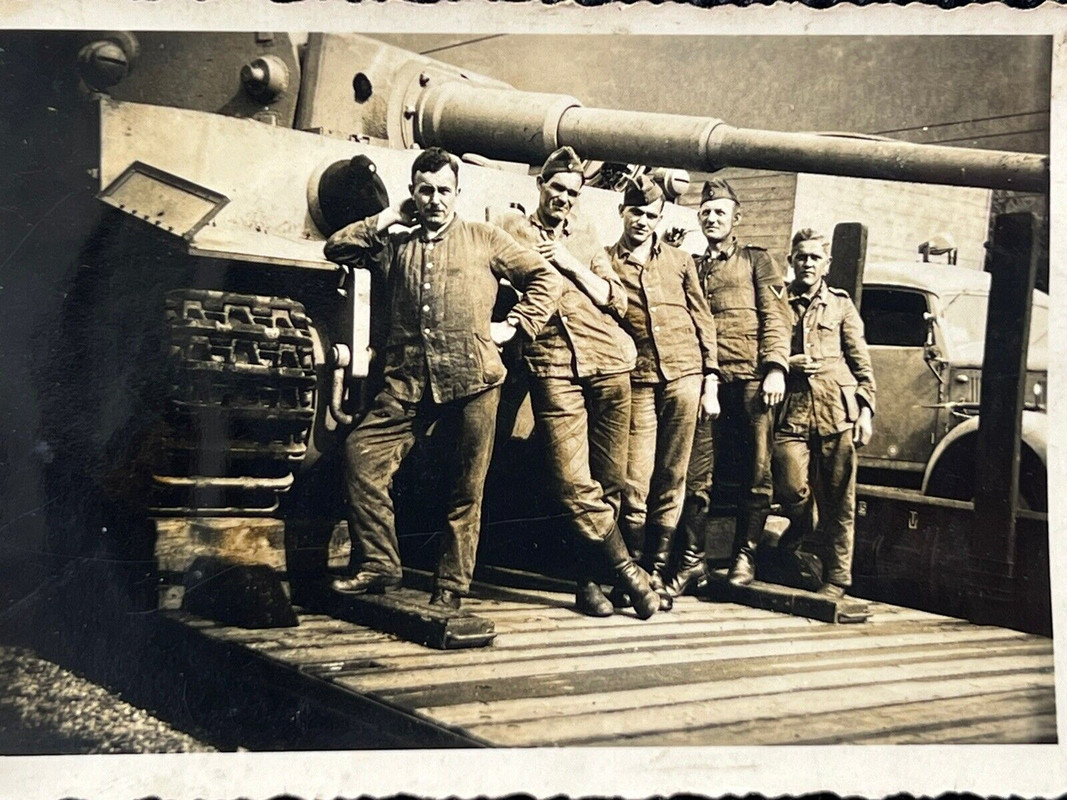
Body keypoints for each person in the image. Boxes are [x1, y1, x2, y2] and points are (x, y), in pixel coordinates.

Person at [322, 147, 563, 610]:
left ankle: (451, 586)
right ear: (413, 193)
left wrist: (514, 325)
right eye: (426, 190)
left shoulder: (483, 238)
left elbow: (545, 279)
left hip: (474, 380)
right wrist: (389, 216)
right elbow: (337, 247)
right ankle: (380, 564)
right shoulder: (396, 245)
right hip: (408, 382)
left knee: (465, 487)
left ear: (457, 193)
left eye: (444, 191)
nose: (435, 200)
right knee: (361, 456)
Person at [497, 146, 659, 619]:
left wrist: (570, 263)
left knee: (610, 483)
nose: (564, 198)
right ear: (540, 186)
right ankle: (629, 573)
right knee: (572, 483)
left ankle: (588, 583)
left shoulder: (586, 235)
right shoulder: (511, 230)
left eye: (572, 192)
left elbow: (617, 299)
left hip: (609, 362)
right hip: (552, 364)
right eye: (557, 188)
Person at [669, 178, 792, 594]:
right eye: (705, 212)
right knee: (697, 474)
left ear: (736, 218)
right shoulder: (691, 264)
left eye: (720, 212)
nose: (712, 218)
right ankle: (692, 561)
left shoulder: (757, 261)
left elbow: (776, 316)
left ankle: (745, 556)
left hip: (753, 381)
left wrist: (775, 368)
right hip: (709, 382)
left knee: (756, 473)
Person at [607, 175, 720, 602]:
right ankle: (633, 572)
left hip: (685, 377)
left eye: (652, 215)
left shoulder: (679, 261)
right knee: (635, 479)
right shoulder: (606, 262)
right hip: (638, 380)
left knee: (674, 476)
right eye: (636, 212)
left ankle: (655, 572)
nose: (643, 221)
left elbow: (703, 320)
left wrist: (711, 380)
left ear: (661, 218)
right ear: (622, 212)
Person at [772, 227, 876, 598]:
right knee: (789, 485)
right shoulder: (777, 301)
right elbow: (764, 348)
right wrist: (789, 363)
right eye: (801, 257)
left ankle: (838, 579)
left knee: (840, 499)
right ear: (791, 261)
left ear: (826, 264)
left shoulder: (841, 304)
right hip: (792, 411)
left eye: (815, 257)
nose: (808, 263)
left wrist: (865, 411)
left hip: (837, 411)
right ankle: (804, 526)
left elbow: (861, 362)